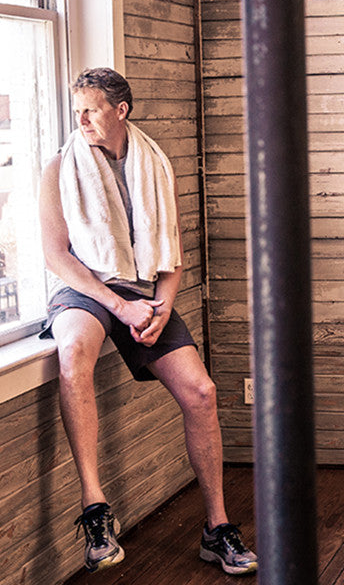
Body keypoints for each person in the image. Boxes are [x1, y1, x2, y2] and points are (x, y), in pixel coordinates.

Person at [38, 68, 257, 576]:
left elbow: (172, 252)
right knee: (73, 355)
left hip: (141, 290)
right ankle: (96, 511)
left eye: (90, 110)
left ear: (121, 111)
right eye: (77, 111)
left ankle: (216, 527)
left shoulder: (156, 165)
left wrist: (160, 308)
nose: (82, 120)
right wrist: (120, 307)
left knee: (201, 392)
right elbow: (56, 256)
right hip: (86, 288)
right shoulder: (58, 167)